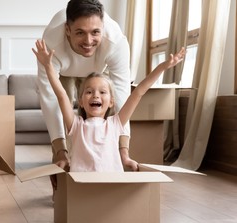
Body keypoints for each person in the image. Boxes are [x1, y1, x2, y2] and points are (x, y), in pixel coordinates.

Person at [33, 39, 186, 171]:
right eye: (89, 92)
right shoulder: (76, 124)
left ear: (112, 101)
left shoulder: (115, 123)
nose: (96, 95)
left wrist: (163, 67)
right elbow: (61, 95)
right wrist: (48, 66)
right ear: (80, 101)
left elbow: (139, 91)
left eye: (102, 92)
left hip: (111, 184)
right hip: (81, 187)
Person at [36, 0, 136, 172]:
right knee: (64, 115)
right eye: (80, 33)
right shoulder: (50, 44)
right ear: (67, 29)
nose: (88, 41)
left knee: (103, 112)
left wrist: (124, 151)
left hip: (98, 70)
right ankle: (64, 178)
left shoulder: (116, 43)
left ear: (103, 27)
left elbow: (121, 98)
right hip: (62, 72)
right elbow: (51, 100)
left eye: (95, 32)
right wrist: (60, 150)